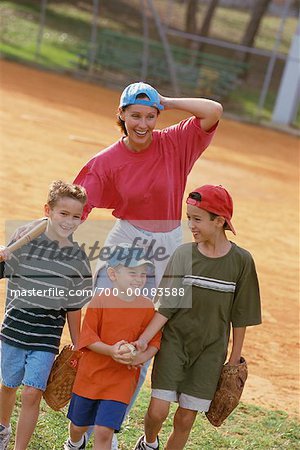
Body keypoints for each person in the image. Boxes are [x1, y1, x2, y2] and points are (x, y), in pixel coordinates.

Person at [10, 82, 223, 449]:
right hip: (126, 241)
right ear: (121, 116)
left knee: (143, 329)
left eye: (150, 115)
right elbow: (69, 213)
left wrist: (165, 101)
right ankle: (83, 415)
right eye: (135, 114)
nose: (143, 123)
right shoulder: (105, 162)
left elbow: (213, 110)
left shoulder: (175, 142)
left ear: (158, 116)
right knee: (109, 318)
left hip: (168, 241)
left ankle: (111, 419)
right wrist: (20, 244)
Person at [132, 184, 262, 450]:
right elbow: (166, 306)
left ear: (219, 221)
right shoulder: (184, 255)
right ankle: (149, 442)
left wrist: (234, 359)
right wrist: (144, 340)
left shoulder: (241, 261)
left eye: (197, 219)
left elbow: (241, 315)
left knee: (185, 419)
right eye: (188, 217)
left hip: (210, 350)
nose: (190, 224)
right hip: (175, 343)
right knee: (157, 411)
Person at [0, 181, 93, 450]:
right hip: (14, 329)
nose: (69, 221)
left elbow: (74, 307)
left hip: (45, 336)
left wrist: (78, 346)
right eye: (63, 213)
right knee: (8, 386)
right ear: (48, 211)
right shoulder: (24, 240)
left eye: (76, 216)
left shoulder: (78, 259)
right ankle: (3, 429)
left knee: (32, 393)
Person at [63, 243, 161, 450]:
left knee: (103, 431)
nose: (139, 279)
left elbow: (154, 342)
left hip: (121, 379)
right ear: (113, 274)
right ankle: (75, 443)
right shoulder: (100, 301)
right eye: (132, 273)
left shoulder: (146, 306)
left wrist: (140, 358)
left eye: (143, 274)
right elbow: (87, 338)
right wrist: (111, 350)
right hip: (91, 376)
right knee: (79, 425)